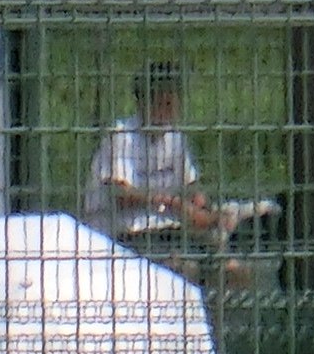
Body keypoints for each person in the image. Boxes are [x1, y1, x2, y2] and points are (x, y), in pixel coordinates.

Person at [83, 65, 215, 254]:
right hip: (121, 236)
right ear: (143, 102)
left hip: (166, 232)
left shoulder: (175, 136)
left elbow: (191, 185)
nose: (170, 110)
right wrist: (173, 204)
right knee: (182, 266)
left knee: (229, 265)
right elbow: (121, 195)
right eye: (163, 102)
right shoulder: (121, 136)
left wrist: (204, 209)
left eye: (173, 102)